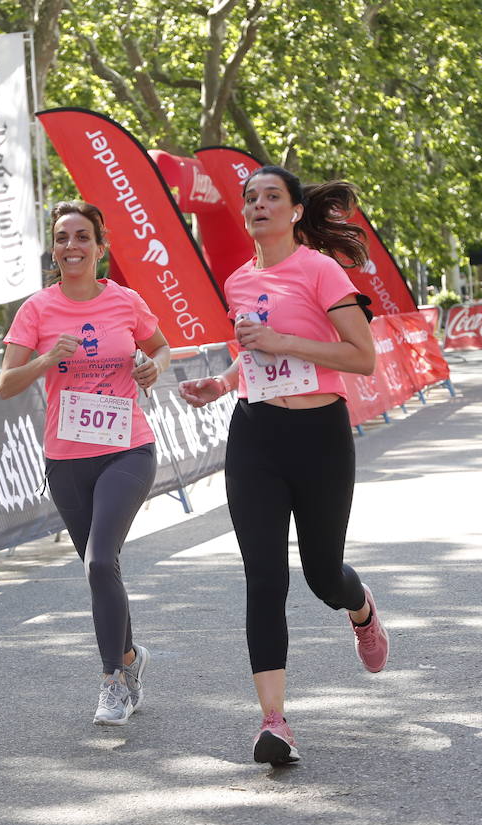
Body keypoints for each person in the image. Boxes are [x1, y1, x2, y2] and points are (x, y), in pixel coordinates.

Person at [177, 166, 384, 767]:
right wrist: (222, 381)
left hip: (320, 434)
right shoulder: (239, 280)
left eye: (272, 197)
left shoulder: (321, 270)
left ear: (295, 212)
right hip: (257, 434)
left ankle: (361, 607)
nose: (259, 205)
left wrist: (284, 342)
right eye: (250, 199)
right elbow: (253, 353)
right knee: (265, 578)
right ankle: (274, 721)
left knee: (322, 576)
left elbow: (362, 357)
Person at [0, 200, 171, 727]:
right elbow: (4, 385)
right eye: (62, 238)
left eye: (81, 237)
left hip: (127, 448)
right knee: (102, 569)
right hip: (66, 459)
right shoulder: (37, 309)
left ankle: (111, 681)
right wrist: (47, 359)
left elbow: (162, 348)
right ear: (54, 249)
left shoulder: (125, 301)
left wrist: (152, 369)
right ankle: (132, 657)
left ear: (100, 246)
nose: (70, 246)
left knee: (99, 561)